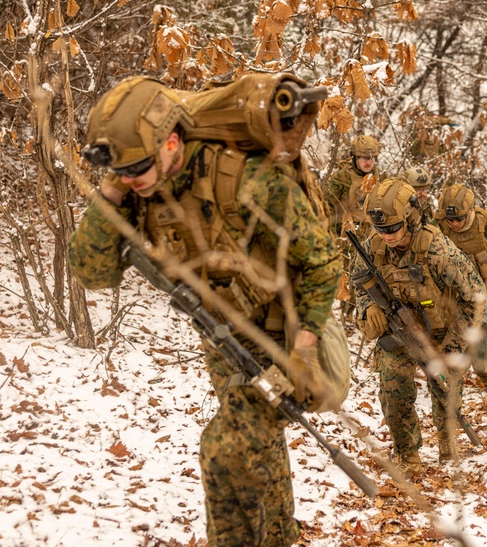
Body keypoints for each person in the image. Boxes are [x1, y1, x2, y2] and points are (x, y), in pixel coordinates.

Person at [68, 76, 339, 547]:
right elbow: (91, 270)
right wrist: (115, 186)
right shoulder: (141, 187)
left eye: (139, 169)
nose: (134, 182)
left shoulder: (246, 178)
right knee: (257, 445)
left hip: (290, 333)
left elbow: (321, 261)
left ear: (173, 142)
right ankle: (278, 537)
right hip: (222, 336)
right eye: (124, 173)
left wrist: (304, 350)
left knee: (224, 451)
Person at [355, 178, 487, 473]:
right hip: (397, 331)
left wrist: (454, 345)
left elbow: (476, 298)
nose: (387, 235)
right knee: (393, 391)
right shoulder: (372, 246)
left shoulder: (437, 250)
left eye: (393, 228)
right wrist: (367, 310)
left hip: (443, 332)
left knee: (446, 392)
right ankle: (408, 454)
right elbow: (359, 281)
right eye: (381, 229)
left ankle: (447, 446)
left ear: (410, 218)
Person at [436, 183, 487, 382]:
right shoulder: (438, 225)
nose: (454, 224)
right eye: (450, 219)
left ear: (470, 211)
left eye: (459, 219)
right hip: (452, 292)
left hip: (486, 292)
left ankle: (483, 371)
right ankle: (452, 376)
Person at [324, 135, 381, 239]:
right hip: (346, 236)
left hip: (374, 235)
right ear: (355, 157)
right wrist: (334, 238)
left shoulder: (381, 177)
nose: (368, 162)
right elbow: (327, 210)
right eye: (364, 158)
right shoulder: (341, 177)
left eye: (372, 158)